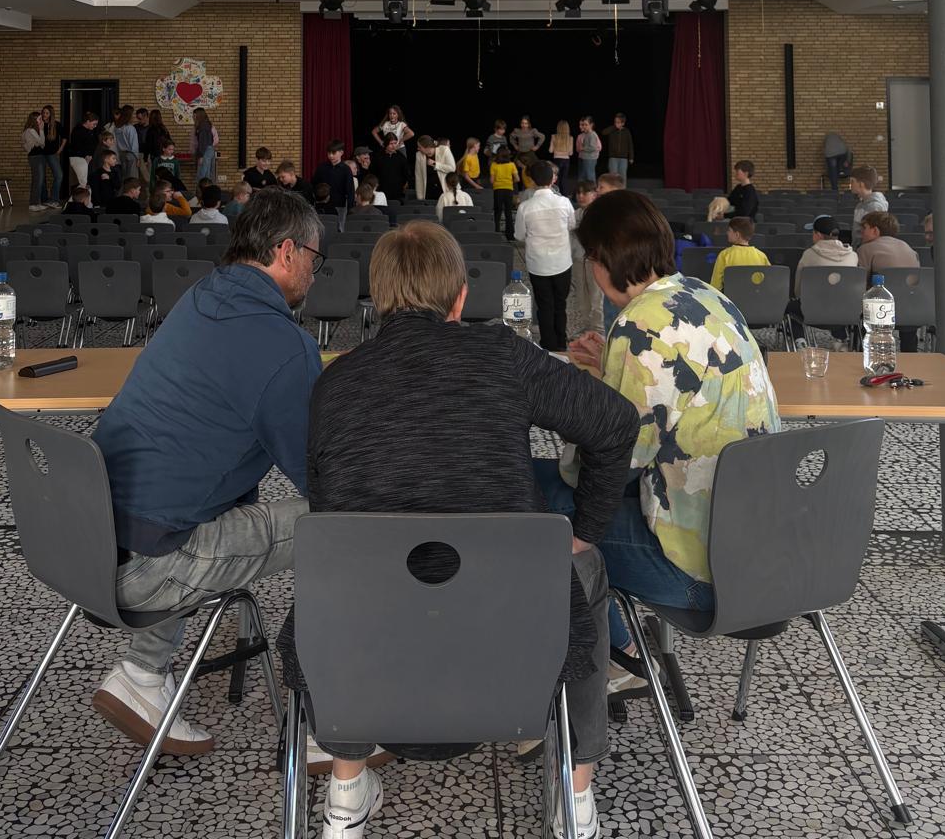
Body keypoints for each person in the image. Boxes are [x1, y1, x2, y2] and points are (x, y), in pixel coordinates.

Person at [282, 221, 637, 839]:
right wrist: (584, 530)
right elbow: (616, 424)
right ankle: (576, 795)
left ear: (379, 297)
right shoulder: (502, 355)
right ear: (460, 298)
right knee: (583, 565)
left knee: (340, 576)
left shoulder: (333, 383)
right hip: (512, 638)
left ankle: (345, 792)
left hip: (368, 654)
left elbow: (327, 505)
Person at [92, 190, 323, 755]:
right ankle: (333, 721)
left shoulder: (198, 297)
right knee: (342, 520)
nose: (316, 273)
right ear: (287, 252)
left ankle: (143, 674)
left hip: (90, 543)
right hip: (150, 566)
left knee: (180, 498)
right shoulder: (285, 347)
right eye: (315, 258)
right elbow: (324, 477)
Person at [556, 190, 780, 666]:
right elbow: (680, 381)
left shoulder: (639, 325)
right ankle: (617, 650)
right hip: (760, 551)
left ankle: (619, 656)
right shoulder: (705, 295)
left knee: (529, 509)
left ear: (602, 260)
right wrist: (613, 366)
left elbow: (606, 467)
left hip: (699, 569)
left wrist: (579, 403)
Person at [515, 160, 576, 351]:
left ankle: (548, 345)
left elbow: (519, 235)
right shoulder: (564, 202)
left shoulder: (525, 207)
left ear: (533, 181)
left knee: (544, 305)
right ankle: (561, 343)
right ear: (552, 179)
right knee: (560, 304)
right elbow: (572, 225)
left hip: (538, 264)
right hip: (562, 262)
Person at [570, 179, 603, 338]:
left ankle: (599, 330)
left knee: (597, 296)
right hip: (579, 259)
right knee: (582, 296)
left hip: (596, 260)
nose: (581, 196)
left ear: (594, 194)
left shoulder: (599, 213)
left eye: (585, 193)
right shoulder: (575, 213)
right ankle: (587, 327)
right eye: (578, 193)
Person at [795, 215, 859, 293]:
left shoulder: (809, 255)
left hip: (815, 299)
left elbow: (799, 289)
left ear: (818, 235)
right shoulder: (853, 256)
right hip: (847, 299)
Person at [709, 216, 769, 294]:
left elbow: (715, 286)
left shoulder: (724, 255)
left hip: (731, 299)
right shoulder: (762, 256)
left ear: (737, 234)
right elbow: (769, 281)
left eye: (729, 230)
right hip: (756, 298)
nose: (727, 233)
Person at [313, 141, 356, 211]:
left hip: (339, 206)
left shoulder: (346, 170)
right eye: (329, 153)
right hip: (322, 206)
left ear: (341, 153)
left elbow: (350, 192)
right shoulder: (321, 167)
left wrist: (350, 210)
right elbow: (314, 185)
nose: (331, 156)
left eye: (333, 153)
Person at [849, 165, 888, 242]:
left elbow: (873, 235)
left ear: (861, 184)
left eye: (852, 181)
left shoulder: (875, 206)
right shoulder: (860, 205)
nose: (850, 185)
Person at [490, 145, 520, 241]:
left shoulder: (494, 165)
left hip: (498, 190)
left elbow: (491, 180)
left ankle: (496, 234)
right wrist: (509, 181)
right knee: (508, 213)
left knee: (497, 213)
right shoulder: (511, 165)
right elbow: (517, 179)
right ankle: (510, 235)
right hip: (508, 190)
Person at [67, 110, 100, 195]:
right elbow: (77, 146)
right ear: (88, 121)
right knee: (83, 183)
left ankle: (83, 200)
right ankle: (74, 201)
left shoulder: (90, 130)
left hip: (86, 158)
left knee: (85, 182)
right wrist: (86, 155)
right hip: (78, 158)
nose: (95, 126)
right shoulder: (78, 130)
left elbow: (93, 144)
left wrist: (90, 155)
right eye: (94, 124)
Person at [371, 136, 410, 204]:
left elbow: (406, 174)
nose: (393, 146)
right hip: (381, 190)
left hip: (397, 191)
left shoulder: (401, 157)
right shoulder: (378, 157)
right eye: (391, 143)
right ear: (386, 144)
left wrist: (404, 185)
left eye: (395, 143)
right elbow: (373, 173)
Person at [22, 110, 47, 211]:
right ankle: (33, 204)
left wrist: (41, 131)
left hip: (39, 156)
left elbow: (42, 144)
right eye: (39, 119)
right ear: (34, 120)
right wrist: (41, 130)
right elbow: (41, 142)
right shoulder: (30, 130)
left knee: (38, 180)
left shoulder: (34, 130)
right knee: (38, 180)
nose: (41, 120)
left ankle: (37, 202)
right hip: (35, 157)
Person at [604, 114, 634, 184]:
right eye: (615, 122)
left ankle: (622, 190)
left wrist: (631, 157)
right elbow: (604, 132)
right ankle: (613, 190)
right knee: (612, 176)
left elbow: (630, 144)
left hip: (623, 158)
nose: (616, 124)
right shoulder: (612, 130)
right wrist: (614, 127)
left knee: (622, 176)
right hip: (613, 157)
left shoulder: (626, 131)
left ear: (623, 123)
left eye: (618, 122)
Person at [113, 106, 140, 184]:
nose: (134, 116)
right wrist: (137, 158)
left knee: (124, 178)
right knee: (132, 179)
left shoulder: (117, 127)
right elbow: (134, 145)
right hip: (131, 155)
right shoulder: (130, 128)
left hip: (121, 154)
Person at [193, 107, 218, 187]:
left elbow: (203, 142)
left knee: (202, 175)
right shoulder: (208, 125)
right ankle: (208, 190)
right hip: (209, 150)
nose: (193, 117)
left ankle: (201, 191)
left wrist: (201, 156)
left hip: (205, 151)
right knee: (208, 174)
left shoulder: (203, 127)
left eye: (194, 115)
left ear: (199, 115)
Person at [549, 120, 574, 195]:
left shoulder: (554, 136)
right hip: (566, 160)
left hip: (557, 159)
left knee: (556, 178)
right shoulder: (570, 138)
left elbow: (550, 150)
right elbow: (570, 153)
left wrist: (557, 150)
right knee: (564, 179)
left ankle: (556, 195)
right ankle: (565, 196)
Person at [413, 135, 441, 202]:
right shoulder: (419, 155)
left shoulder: (442, 151)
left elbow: (450, 169)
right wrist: (420, 197)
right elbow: (418, 177)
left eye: (420, 147)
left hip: (442, 189)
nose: (418, 149)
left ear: (427, 147)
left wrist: (435, 164)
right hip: (428, 191)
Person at [134, 106, 152, 189]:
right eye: (137, 118)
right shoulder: (135, 127)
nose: (138, 120)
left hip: (149, 155)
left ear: (146, 117)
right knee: (140, 177)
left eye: (140, 118)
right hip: (139, 154)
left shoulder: (152, 128)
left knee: (148, 177)